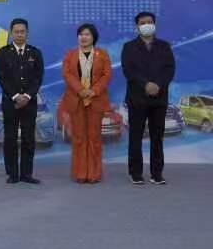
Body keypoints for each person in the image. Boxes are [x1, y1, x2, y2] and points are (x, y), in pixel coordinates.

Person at [121, 12, 176, 185]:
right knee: (135, 137)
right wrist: (145, 84)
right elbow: (128, 70)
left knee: (157, 137)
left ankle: (156, 173)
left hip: (159, 98)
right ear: (137, 27)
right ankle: (135, 173)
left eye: (150, 22)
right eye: (143, 23)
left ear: (155, 24)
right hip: (137, 98)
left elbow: (169, 69)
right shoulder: (129, 47)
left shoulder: (164, 46)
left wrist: (158, 84)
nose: (147, 25)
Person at [59, 24, 112, 183]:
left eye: (87, 34)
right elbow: (67, 74)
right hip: (76, 100)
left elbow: (107, 75)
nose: (83, 37)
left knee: (94, 137)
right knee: (79, 137)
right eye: (81, 34)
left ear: (93, 37)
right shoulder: (70, 54)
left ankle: (94, 174)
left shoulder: (102, 54)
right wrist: (80, 90)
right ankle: (80, 173)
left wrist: (93, 91)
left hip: (96, 100)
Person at [0, 18, 44, 184]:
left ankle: (27, 174)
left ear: (27, 33)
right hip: (10, 102)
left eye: (22, 31)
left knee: (28, 138)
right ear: (11, 33)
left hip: (30, 102)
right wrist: (16, 96)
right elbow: (2, 78)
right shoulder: (3, 53)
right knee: (10, 138)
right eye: (16, 32)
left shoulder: (35, 53)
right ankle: (12, 174)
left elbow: (38, 78)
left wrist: (27, 96)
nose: (19, 34)